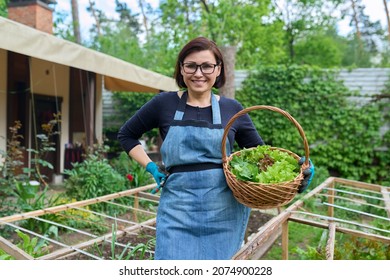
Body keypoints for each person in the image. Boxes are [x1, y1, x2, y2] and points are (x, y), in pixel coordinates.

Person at [118, 37, 314, 260]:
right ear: (181, 69)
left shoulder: (232, 108)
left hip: (224, 213)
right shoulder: (164, 103)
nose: (198, 73)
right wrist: (151, 166)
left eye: (207, 66)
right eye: (191, 65)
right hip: (177, 210)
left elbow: (263, 156)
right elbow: (127, 135)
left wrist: (296, 172)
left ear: (218, 69)